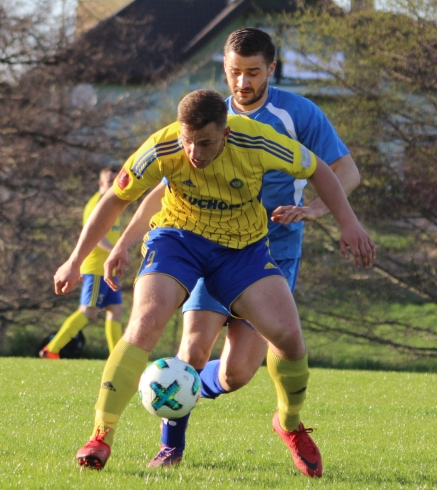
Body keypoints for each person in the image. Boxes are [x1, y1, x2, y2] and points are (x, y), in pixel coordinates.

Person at [53, 89, 374, 477]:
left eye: (204, 142)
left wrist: (349, 223)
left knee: (287, 335)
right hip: (177, 238)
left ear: (225, 134)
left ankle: (289, 424)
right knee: (146, 321)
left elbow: (321, 169)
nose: (193, 152)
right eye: (187, 141)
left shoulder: (256, 139)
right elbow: (115, 200)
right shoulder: (162, 146)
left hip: (241, 248)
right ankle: (100, 435)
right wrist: (75, 259)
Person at [117, 27, 363, 468]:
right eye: (234, 72)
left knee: (236, 374)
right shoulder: (207, 120)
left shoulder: (298, 114)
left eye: (252, 72)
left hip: (271, 253)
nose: (243, 83)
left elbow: (344, 171)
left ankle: (261, 412)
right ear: (225, 70)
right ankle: (171, 444)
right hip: (207, 246)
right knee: (192, 348)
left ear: (271, 68)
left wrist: (314, 211)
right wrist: (125, 241)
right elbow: (167, 189)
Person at [40, 168, 124, 359]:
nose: (113, 184)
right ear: (101, 184)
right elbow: (95, 235)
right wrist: (116, 251)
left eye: (115, 180)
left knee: (116, 310)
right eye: (109, 181)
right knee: (88, 312)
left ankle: (115, 358)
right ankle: (51, 349)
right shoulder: (97, 204)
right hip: (96, 268)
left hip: (108, 268)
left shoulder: (115, 203)